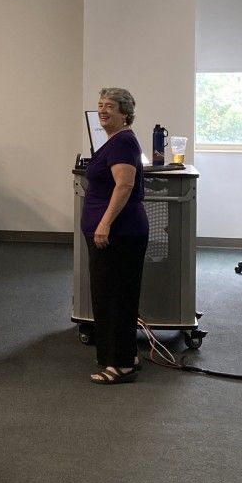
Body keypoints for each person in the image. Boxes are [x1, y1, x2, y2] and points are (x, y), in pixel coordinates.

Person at [81, 87, 149, 385]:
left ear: (125, 113)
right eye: (100, 105)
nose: (103, 110)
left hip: (119, 233)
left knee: (113, 297)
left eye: (110, 106)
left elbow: (124, 186)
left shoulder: (122, 143)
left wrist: (105, 223)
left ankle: (119, 365)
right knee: (116, 295)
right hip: (117, 232)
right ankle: (126, 355)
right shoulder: (116, 141)